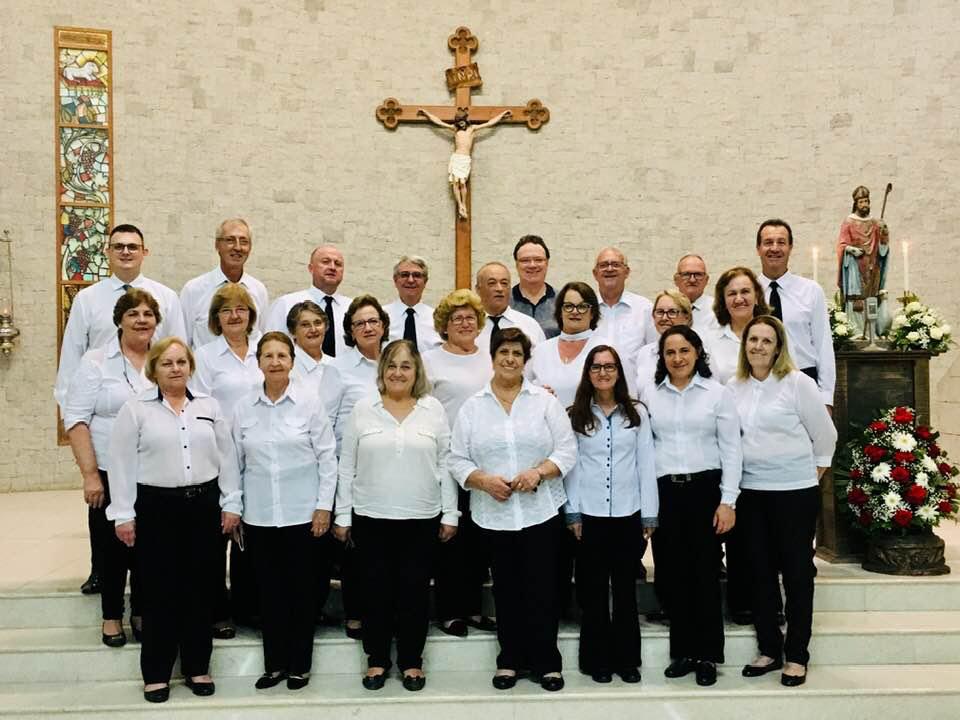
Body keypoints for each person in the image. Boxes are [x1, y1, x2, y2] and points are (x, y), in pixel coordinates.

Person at [106, 337, 241, 704]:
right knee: (159, 592)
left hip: (203, 506)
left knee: (200, 590)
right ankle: (156, 674)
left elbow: (227, 458)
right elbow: (120, 464)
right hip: (156, 508)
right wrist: (123, 513)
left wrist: (232, 504)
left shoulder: (210, 407)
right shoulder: (135, 410)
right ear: (154, 369)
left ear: (191, 367)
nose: (176, 368)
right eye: (167, 363)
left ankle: (198, 667)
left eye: (182, 362)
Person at [55, 223, 185, 595]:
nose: (126, 252)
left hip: (153, 430)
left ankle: (149, 587)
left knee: (149, 519)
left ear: (145, 252)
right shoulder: (88, 300)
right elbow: (72, 358)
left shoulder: (166, 297)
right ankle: (101, 570)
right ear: (108, 253)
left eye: (133, 246)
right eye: (119, 246)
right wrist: (71, 416)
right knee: (103, 508)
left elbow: (178, 350)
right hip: (104, 423)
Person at [449, 328, 578, 692]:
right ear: (493, 357)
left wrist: (539, 471)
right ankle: (510, 661)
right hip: (494, 514)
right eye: (503, 352)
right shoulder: (473, 407)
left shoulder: (544, 402)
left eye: (517, 354)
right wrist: (482, 480)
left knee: (543, 589)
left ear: (525, 360)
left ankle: (546, 662)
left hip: (540, 512)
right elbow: (456, 459)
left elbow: (567, 451)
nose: (509, 359)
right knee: (506, 591)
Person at [334, 340, 459, 692]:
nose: (398, 372)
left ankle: (411, 662)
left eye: (406, 366)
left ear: (416, 371)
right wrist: (342, 515)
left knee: (413, 593)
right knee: (374, 592)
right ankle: (376, 660)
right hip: (371, 517)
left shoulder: (433, 409)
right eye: (392, 365)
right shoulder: (363, 409)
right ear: (381, 370)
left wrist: (451, 512)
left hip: (421, 517)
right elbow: (346, 466)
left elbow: (446, 463)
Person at [731, 316, 836, 687]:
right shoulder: (734, 386)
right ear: (745, 346)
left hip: (794, 493)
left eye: (766, 340)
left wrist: (811, 477)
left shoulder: (798, 384)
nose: (758, 346)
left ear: (778, 347)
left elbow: (825, 437)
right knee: (757, 573)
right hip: (751, 494)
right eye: (752, 340)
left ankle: (797, 654)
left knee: (796, 574)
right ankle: (769, 649)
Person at [233, 332, 338, 691]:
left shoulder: (309, 402)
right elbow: (235, 462)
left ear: (292, 361)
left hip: (303, 516)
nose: (275, 361)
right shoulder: (244, 407)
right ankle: (274, 664)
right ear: (258, 362)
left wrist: (324, 506)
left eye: (282, 355)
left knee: (302, 594)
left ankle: (299, 665)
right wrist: (234, 508)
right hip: (260, 517)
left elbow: (327, 458)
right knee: (270, 594)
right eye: (268, 355)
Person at [641, 325, 741, 687]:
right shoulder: (650, 395)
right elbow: (644, 450)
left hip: (705, 492)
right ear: (662, 357)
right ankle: (682, 652)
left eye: (684, 350)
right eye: (670, 352)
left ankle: (708, 655)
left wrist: (727, 501)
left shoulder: (717, 394)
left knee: (704, 575)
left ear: (697, 352)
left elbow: (732, 449)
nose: (678, 358)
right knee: (672, 574)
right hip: (666, 492)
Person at [63, 289, 158, 648]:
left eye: (148, 314)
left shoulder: (162, 359)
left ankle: (142, 610)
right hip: (106, 471)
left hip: (150, 472)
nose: (141, 320)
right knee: (112, 549)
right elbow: (76, 420)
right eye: (133, 313)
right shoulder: (96, 361)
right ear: (119, 320)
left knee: (148, 549)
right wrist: (89, 475)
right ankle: (111, 616)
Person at [565, 345, 657, 684]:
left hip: (627, 514)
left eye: (610, 366)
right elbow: (571, 468)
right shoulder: (575, 414)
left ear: (619, 372)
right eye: (596, 367)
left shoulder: (636, 414)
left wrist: (649, 515)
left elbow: (646, 465)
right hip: (588, 515)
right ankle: (596, 660)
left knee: (624, 590)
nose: (603, 373)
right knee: (592, 592)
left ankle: (627, 659)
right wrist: (572, 513)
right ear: (588, 373)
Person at [421, 289, 496, 637]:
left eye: (470, 317)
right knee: (452, 536)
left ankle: (473, 608)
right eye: (457, 318)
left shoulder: (491, 358)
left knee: (481, 537)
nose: (465, 323)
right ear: (444, 325)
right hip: (447, 459)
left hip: (487, 460)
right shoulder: (431, 360)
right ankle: (450, 610)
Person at [191, 282, 263, 637]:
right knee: (219, 533)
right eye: (226, 311)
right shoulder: (205, 357)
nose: (235, 316)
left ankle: (251, 606)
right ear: (216, 319)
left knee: (256, 531)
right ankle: (217, 610)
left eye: (241, 309)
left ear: (250, 314)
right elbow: (201, 406)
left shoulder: (263, 349)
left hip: (261, 451)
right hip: (220, 452)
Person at [327, 294, 392, 639]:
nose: (367, 327)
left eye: (373, 321)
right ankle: (356, 611)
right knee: (354, 543)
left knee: (385, 547)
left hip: (393, 469)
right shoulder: (338, 369)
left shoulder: (397, 360)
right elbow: (327, 419)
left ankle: (387, 611)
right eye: (359, 323)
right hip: (351, 466)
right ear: (350, 331)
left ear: (383, 325)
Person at [756, 219, 835, 407]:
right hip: (759, 382)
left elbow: (823, 346)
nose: (774, 248)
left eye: (781, 242)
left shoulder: (811, 290)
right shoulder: (748, 292)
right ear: (758, 248)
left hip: (804, 379)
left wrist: (826, 398)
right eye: (768, 242)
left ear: (790, 247)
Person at [179, 218, 269, 348]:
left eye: (244, 242)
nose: (238, 247)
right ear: (217, 245)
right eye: (230, 240)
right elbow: (183, 343)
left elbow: (262, 341)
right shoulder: (194, 290)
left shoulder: (258, 290)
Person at [417, 107, 511, 219]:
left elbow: (489, 123)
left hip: (465, 159)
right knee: (455, 183)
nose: (461, 124)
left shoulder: (472, 129)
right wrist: (426, 113)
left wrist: (502, 115)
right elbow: (439, 122)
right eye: (458, 122)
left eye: (462, 121)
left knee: (462, 183)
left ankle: (464, 204)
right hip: (456, 157)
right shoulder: (455, 129)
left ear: (466, 120)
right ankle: (460, 205)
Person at [526, 281, 607, 407]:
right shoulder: (541, 350)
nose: (575, 312)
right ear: (560, 311)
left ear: (592, 313)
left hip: (592, 425)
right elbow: (522, 393)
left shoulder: (606, 349)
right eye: (568, 306)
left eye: (582, 306)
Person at [266, 245, 351, 358]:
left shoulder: (352, 308)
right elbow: (269, 347)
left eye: (338, 264)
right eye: (325, 262)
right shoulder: (286, 304)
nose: (332, 267)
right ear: (311, 268)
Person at [836, 186, 890, 338]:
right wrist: (851, 250)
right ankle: (856, 330)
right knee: (856, 298)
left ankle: (872, 332)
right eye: (861, 202)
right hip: (854, 265)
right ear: (856, 203)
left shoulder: (874, 222)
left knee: (872, 296)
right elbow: (841, 244)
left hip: (871, 265)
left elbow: (882, 246)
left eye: (866, 201)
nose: (865, 204)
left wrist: (883, 231)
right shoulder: (848, 222)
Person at [592, 247, 656, 376]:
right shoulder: (586, 308)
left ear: (626, 272)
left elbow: (655, 352)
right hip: (593, 391)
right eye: (604, 265)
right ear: (595, 273)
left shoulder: (645, 308)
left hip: (633, 391)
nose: (610, 269)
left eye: (616, 265)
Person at [707, 267, 771, 385]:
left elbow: (789, 377)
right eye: (732, 294)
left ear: (756, 296)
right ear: (724, 301)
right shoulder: (709, 341)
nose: (739, 299)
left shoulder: (775, 334)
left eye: (745, 291)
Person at [474, 262, 546, 349]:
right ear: (478, 289)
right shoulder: (469, 326)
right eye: (492, 283)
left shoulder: (529, 325)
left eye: (504, 283)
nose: (499, 289)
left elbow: (543, 360)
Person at [634, 289, 693, 389]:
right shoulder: (644, 353)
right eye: (660, 312)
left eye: (672, 312)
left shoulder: (698, 351)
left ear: (686, 317)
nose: (664, 318)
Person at [384, 255, 441, 352]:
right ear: (395, 280)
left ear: (425, 281)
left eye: (417, 275)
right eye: (405, 275)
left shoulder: (438, 319)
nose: (410, 280)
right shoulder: (380, 317)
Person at [509, 235, 558, 339]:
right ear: (516, 264)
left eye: (538, 260)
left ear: (547, 263)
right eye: (525, 260)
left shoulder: (563, 300)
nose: (532, 265)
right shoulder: (505, 301)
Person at [674, 254, 719, 333]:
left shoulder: (718, 309)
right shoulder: (665, 310)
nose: (692, 280)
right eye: (686, 274)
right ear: (676, 280)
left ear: (706, 280)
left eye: (698, 274)